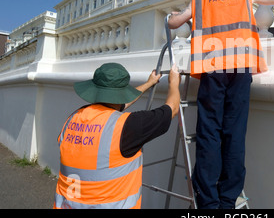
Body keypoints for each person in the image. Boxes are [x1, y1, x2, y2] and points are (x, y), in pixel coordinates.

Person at [168, 0, 274, 209]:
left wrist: (171, 16)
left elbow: (175, 22)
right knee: (234, 133)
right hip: (240, 69)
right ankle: (228, 200)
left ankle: (208, 202)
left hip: (212, 69)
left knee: (209, 134)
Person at [54, 62, 180, 209]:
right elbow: (173, 108)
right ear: (121, 93)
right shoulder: (128, 126)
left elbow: (116, 107)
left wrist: (148, 83)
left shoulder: (74, 118)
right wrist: (174, 82)